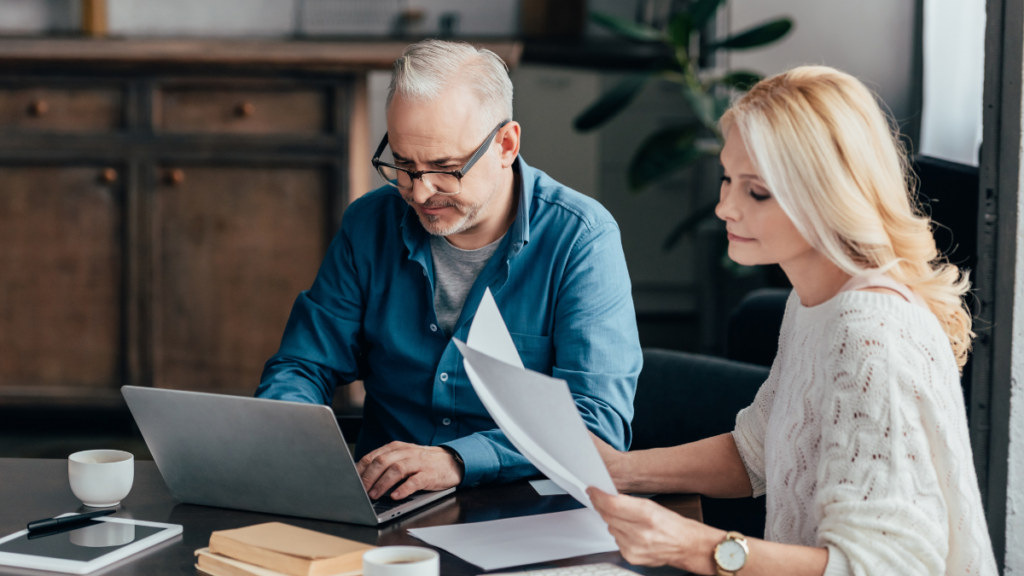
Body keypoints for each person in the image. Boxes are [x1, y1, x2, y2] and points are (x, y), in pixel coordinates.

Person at [586, 66, 997, 576]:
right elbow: (757, 451)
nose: (723, 208)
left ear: (828, 195)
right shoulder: (812, 300)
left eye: (756, 192)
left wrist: (694, 547)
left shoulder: (871, 335)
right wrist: (623, 471)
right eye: (727, 180)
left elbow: (889, 567)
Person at [255, 40, 642, 502]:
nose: (420, 193)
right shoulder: (368, 225)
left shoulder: (581, 239)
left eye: (445, 168)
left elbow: (598, 425)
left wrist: (458, 460)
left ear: (506, 144)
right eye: (402, 165)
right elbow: (303, 364)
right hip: (383, 507)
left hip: (524, 508)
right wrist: (284, 437)